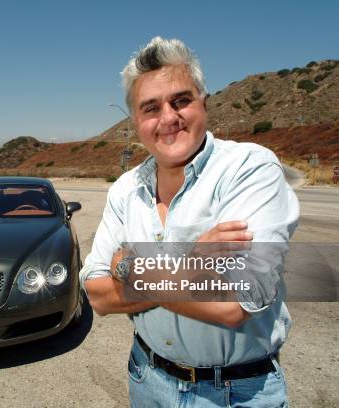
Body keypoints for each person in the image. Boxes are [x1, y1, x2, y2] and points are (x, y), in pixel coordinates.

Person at [79, 37, 299, 407]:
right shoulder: (125, 189)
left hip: (235, 392)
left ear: (204, 104)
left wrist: (131, 269)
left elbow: (236, 305)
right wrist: (197, 263)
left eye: (181, 100)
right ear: (135, 122)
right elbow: (97, 295)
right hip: (146, 377)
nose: (168, 118)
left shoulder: (249, 169)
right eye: (151, 108)